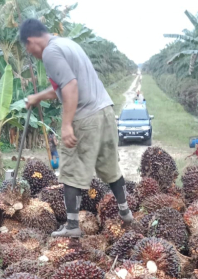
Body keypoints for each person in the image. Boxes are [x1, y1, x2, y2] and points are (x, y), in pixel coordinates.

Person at [20, 19, 133, 237]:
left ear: (32, 40)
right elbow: (64, 86)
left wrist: (66, 125)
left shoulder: (50, 53)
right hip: (105, 111)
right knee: (110, 167)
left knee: (71, 171)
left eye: (28, 49)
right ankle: (125, 212)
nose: (32, 54)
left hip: (85, 117)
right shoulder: (68, 44)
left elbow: (70, 86)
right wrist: (38, 96)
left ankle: (72, 226)